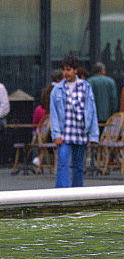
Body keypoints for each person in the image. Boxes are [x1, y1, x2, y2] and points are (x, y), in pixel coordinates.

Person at [49, 55, 99, 187]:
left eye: (69, 69)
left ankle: (77, 192)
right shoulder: (57, 90)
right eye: (64, 70)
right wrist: (56, 134)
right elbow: (53, 114)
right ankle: (62, 193)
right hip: (64, 132)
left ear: (75, 70)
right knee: (63, 163)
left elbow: (91, 111)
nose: (66, 73)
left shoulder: (85, 87)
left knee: (78, 165)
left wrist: (93, 135)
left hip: (80, 131)